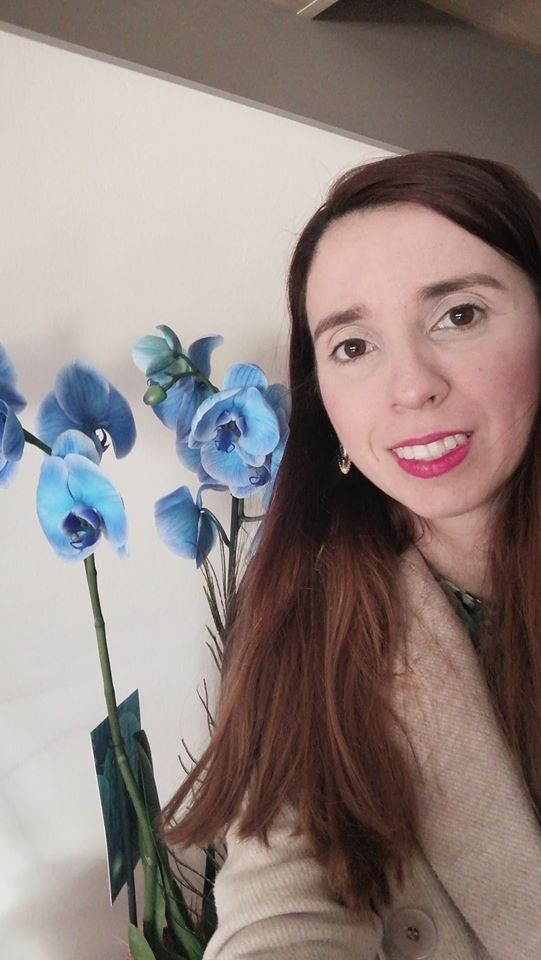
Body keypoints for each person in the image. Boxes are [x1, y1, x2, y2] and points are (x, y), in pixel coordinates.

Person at [164, 151, 541, 959]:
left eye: (458, 315)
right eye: (352, 346)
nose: (410, 387)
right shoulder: (308, 624)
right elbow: (281, 914)